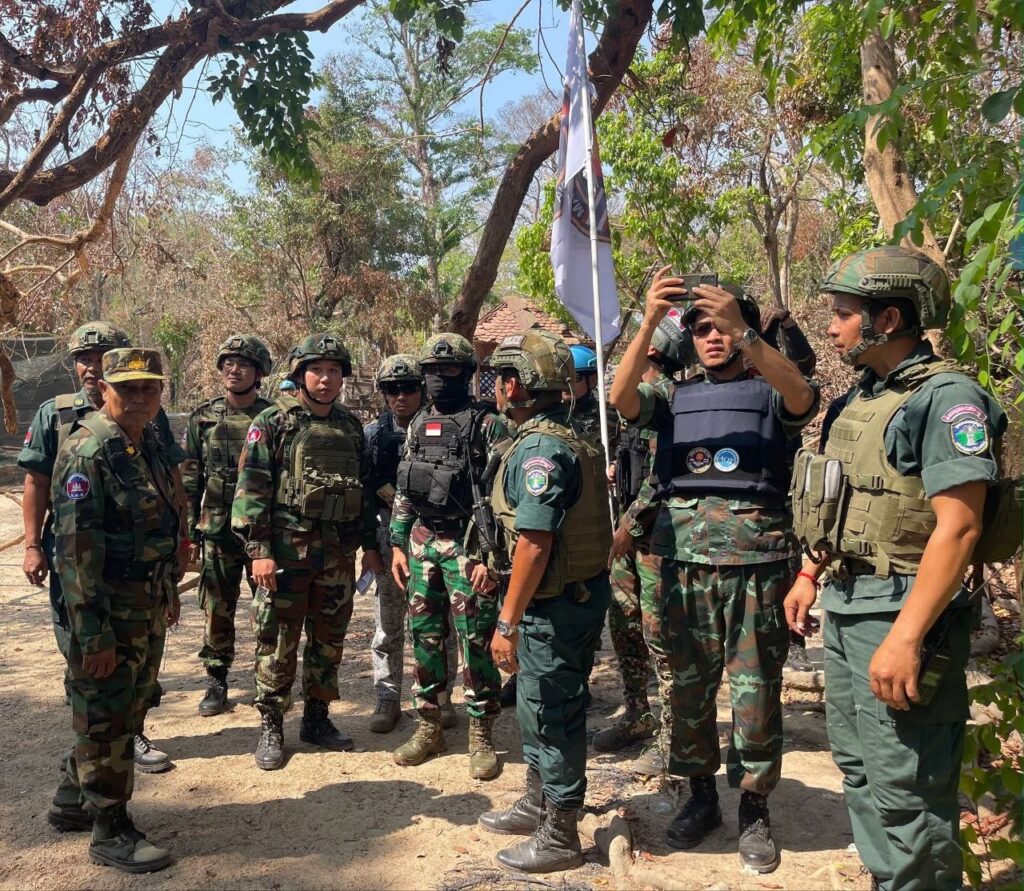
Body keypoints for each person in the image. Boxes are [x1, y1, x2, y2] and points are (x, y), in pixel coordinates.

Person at [784, 246, 1010, 891]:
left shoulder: (947, 400)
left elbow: (960, 527)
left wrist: (907, 637)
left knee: (908, 787)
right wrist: (809, 575)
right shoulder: (863, 397)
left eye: (842, 314)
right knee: (861, 771)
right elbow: (846, 502)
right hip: (849, 602)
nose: (831, 326)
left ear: (887, 319)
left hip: (903, 611)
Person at [610, 269, 818, 873]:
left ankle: (754, 807)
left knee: (756, 694)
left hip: (757, 566)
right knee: (689, 690)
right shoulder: (673, 396)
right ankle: (700, 796)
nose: (713, 337)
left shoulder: (770, 388)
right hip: (685, 568)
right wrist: (649, 321)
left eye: (722, 326)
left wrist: (747, 333)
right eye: (701, 329)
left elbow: (803, 398)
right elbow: (621, 399)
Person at [21, 324, 184, 832]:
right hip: (108, 610)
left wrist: (168, 588)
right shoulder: (88, 451)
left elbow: (164, 515)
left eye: (149, 389)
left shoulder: (144, 440)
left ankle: (72, 800)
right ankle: (110, 829)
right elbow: (74, 555)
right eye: (127, 388)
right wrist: (93, 634)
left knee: (130, 706)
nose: (139, 398)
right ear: (105, 390)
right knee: (106, 712)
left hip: (144, 602)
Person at [477, 330, 612, 873]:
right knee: (537, 707)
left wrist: (506, 622)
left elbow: (535, 542)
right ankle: (537, 803)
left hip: (554, 607)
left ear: (515, 385)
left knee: (552, 713)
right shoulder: (565, 436)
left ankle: (560, 834)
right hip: (566, 598)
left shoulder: (540, 451)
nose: (495, 388)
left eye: (499, 379)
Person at [232, 333, 382, 770]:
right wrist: (259, 550)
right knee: (278, 640)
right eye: (317, 370)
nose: (326, 378)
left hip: (337, 555)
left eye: (334, 371)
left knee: (328, 639)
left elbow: (362, 491)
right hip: (285, 556)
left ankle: (317, 717)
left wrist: (370, 547)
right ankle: (272, 723)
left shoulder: (350, 426)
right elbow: (251, 487)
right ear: (300, 374)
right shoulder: (274, 422)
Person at [389, 333, 508, 780]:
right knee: (424, 638)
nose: (440, 377)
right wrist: (397, 542)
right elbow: (406, 487)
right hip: (423, 544)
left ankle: (481, 732)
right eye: (432, 371)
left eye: (449, 369)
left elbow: (504, 500)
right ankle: (430, 726)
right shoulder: (418, 423)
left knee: (475, 640)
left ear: (467, 373)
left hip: (468, 547)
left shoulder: (489, 424)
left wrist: (490, 560)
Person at [601, 310, 691, 768]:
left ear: (653, 350)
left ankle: (673, 738)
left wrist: (628, 526)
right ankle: (637, 713)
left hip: (657, 542)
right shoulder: (641, 398)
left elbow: (663, 478)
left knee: (661, 637)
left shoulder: (668, 398)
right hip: (631, 542)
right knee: (624, 625)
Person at [363, 354, 457, 732]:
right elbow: (364, 495)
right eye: (391, 389)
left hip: (435, 535)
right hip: (390, 537)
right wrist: (370, 547)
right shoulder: (372, 436)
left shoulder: (442, 427)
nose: (400, 396)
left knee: (440, 622)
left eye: (408, 388)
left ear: (422, 389)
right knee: (388, 624)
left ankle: (441, 696)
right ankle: (387, 698)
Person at [182, 334, 272, 716]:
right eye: (228, 364)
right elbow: (190, 480)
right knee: (217, 608)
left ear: (259, 373)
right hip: (217, 530)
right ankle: (216, 679)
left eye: (244, 364)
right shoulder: (203, 417)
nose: (234, 370)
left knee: (268, 609)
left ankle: (268, 681)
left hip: (260, 534)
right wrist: (189, 533)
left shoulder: (273, 417)